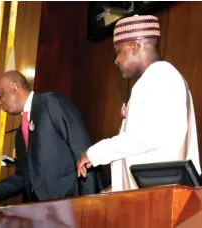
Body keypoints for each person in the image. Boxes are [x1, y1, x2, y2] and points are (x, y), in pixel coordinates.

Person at [76, 15, 201, 192]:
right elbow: (149, 151)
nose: (116, 60)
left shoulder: (162, 75)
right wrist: (118, 187)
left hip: (159, 199)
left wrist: (95, 153)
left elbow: (148, 136)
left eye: (118, 51)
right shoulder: (156, 77)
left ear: (134, 46)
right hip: (154, 194)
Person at [0, 70, 107, 206]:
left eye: (0, 95)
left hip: (72, 206)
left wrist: (91, 203)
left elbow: (83, 151)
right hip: (40, 213)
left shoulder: (51, 103)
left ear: (14, 87)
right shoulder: (20, 135)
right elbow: (25, 178)